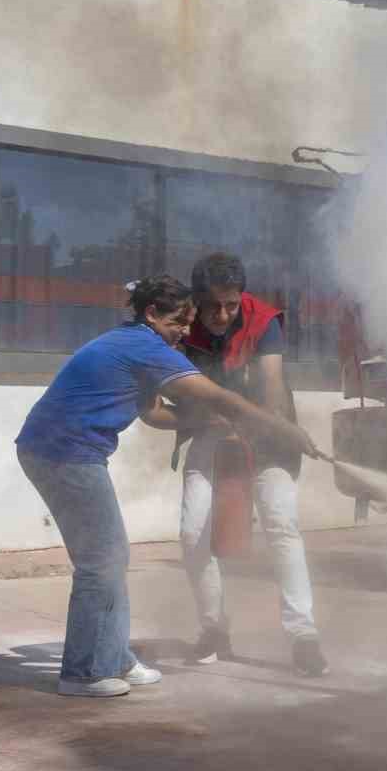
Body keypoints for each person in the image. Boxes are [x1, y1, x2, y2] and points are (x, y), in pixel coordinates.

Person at [16, 274, 325, 698]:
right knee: (101, 561)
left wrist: (201, 422)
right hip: (63, 452)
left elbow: (153, 413)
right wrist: (282, 428)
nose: (185, 330)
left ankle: (114, 659)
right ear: (151, 315)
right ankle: (83, 672)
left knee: (110, 556)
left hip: (62, 449)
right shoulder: (146, 347)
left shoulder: (130, 343)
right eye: (179, 320)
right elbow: (219, 396)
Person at [150, 252, 330, 676]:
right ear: (196, 300)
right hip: (210, 431)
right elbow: (162, 399)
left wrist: (256, 427)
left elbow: (270, 389)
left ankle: (303, 635)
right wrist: (209, 421)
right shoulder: (181, 326)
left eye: (231, 304)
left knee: (280, 524)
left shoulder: (263, 321)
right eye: (213, 305)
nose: (223, 314)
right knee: (193, 530)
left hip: (270, 431)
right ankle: (214, 629)